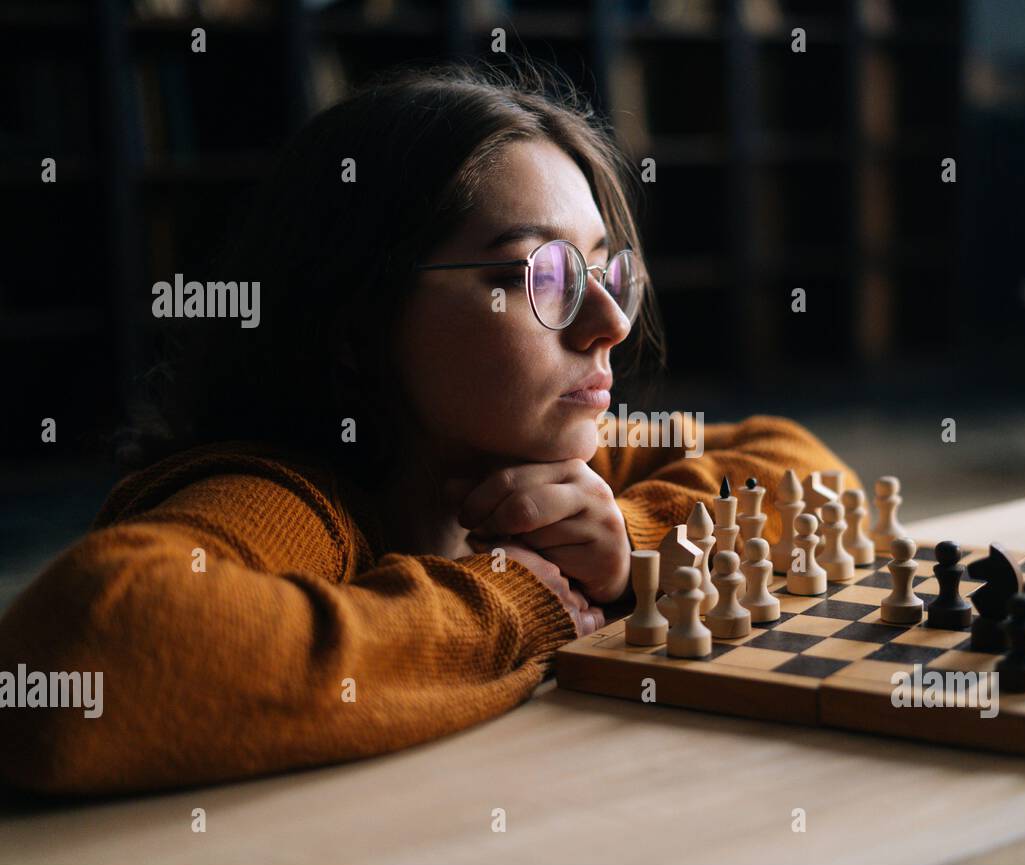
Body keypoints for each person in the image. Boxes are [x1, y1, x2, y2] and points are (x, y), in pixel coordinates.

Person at [0, 65, 860, 795]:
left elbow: (809, 471)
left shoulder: (554, 458)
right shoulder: (288, 496)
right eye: (542, 274)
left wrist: (634, 546)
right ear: (358, 319)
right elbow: (87, 649)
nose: (609, 322)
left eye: (605, 270)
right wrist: (519, 603)